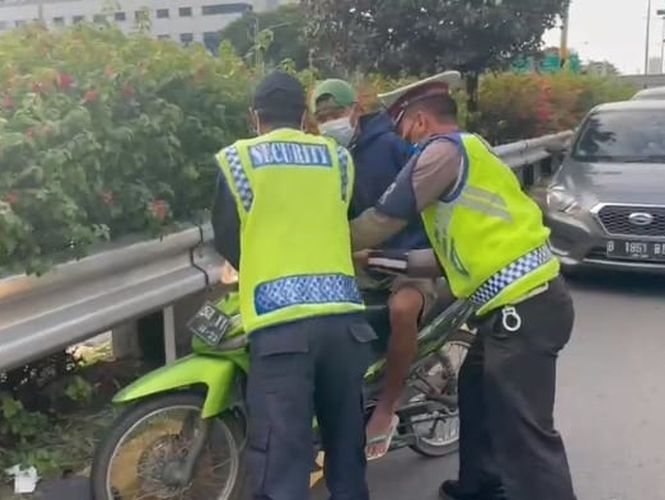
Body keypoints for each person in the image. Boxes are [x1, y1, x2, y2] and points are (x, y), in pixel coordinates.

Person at [350, 72, 577, 500]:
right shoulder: (471, 154)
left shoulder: (441, 152)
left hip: (525, 308)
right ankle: (480, 485)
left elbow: (381, 220)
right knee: (475, 391)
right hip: (519, 306)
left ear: (418, 121)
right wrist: (377, 260)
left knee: (525, 432)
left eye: (401, 127)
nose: (402, 140)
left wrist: (324, 241)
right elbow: (443, 260)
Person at [211, 71, 375, 500]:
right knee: (345, 450)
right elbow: (350, 219)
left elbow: (227, 236)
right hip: (344, 324)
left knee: (282, 458)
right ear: (304, 116)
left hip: (281, 327)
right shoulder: (337, 158)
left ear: (254, 117)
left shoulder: (238, 160)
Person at [311, 79, 437, 459]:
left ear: (356, 109)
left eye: (336, 114)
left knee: (401, 311)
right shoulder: (323, 156)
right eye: (322, 117)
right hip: (357, 263)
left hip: (410, 258)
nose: (331, 122)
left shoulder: (392, 147)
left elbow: (413, 206)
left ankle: (387, 408)